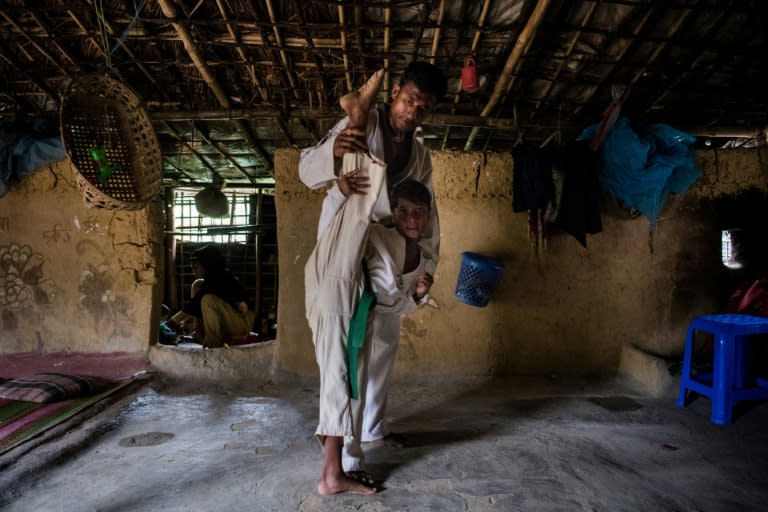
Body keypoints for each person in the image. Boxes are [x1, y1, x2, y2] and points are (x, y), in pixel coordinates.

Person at [299, 61, 446, 495]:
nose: (413, 112)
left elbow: (427, 211)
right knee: (347, 358)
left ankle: (373, 429)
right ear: (395, 92)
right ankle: (342, 462)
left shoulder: (419, 155)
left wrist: (427, 265)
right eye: (408, 101)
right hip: (346, 244)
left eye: (423, 108)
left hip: (383, 251)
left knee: (383, 344)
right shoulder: (358, 130)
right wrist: (336, 157)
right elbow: (307, 171)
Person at [343, 180, 434, 473]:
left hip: (389, 320)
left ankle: (374, 430)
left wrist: (419, 295)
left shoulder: (423, 258)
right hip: (362, 315)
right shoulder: (374, 235)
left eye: (419, 211)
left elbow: (403, 302)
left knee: (380, 377)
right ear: (392, 212)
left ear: (428, 216)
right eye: (404, 210)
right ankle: (347, 451)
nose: (412, 218)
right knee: (354, 382)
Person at [160, 245, 253, 348]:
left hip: (241, 324)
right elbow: (195, 304)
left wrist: (170, 323)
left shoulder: (221, 278)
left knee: (207, 300)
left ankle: (213, 345)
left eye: (196, 267)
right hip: (229, 319)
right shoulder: (210, 280)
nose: (193, 271)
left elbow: (194, 305)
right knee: (197, 284)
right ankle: (199, 333)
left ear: (207, 265)